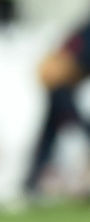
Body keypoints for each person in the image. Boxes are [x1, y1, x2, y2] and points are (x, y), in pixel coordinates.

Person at [25, 19, 90, 197]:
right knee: (57, 125)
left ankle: (33, 179)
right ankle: (34, 179)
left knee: (57, 127)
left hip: (65, 81)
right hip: (63, 82)